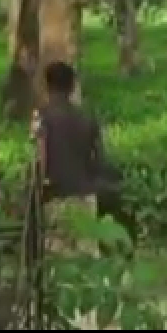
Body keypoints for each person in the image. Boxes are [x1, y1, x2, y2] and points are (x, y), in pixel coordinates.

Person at [34, 61, 116, 254]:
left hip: (56, 198)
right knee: (86, 258)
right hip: (85, 196)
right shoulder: (87, 117)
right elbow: (100, 160)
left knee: (57, 257)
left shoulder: (42, 118)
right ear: (72, 86)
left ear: (47, 86)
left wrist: (36, 190)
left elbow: (40, 158)